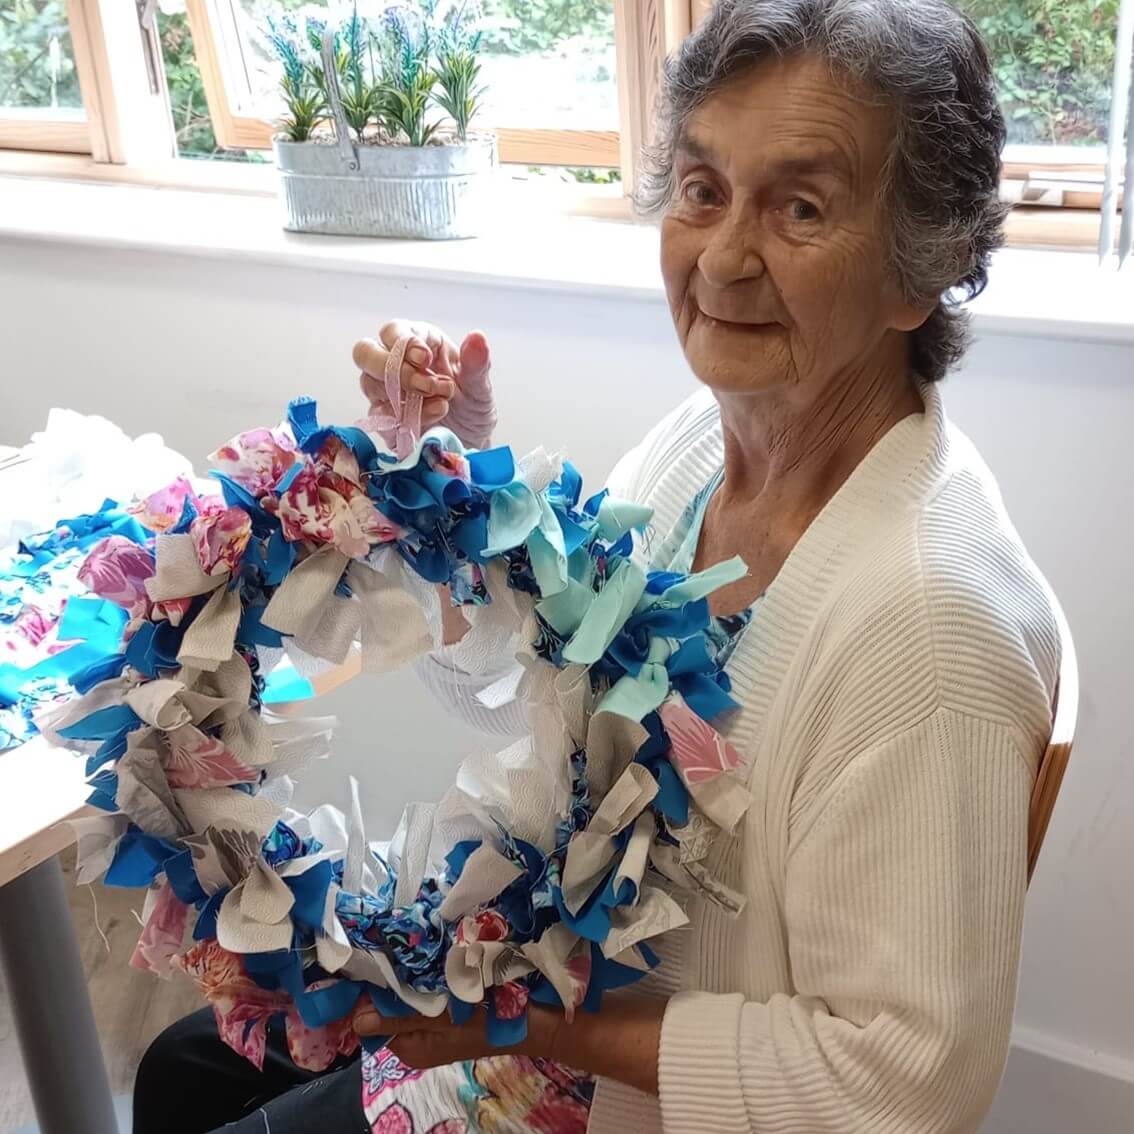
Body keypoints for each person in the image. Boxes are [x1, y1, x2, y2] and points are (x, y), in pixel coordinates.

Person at [133, 0, 1061, 1131]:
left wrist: (526, 1025)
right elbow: (535, 705)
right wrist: (463, 500)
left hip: (615, 1091)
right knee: (184, 1067)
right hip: (553, 1022)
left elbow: (902, 1083)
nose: (723, 257)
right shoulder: (695, 458)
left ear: (921, 269)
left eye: (801, 207)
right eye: (702, 189)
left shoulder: (927, 630)